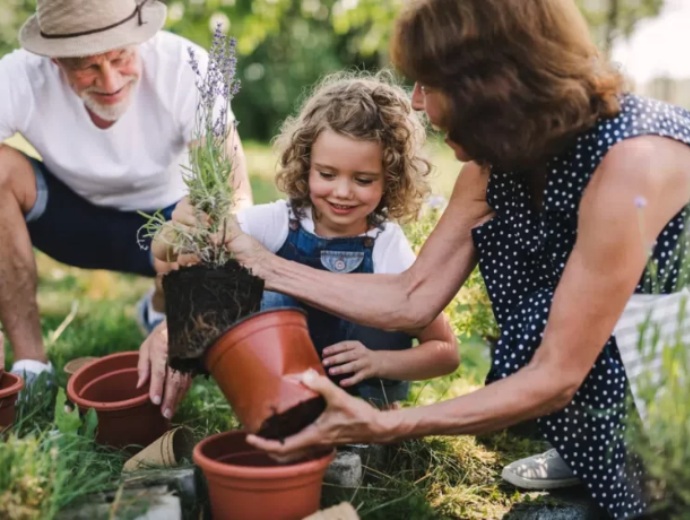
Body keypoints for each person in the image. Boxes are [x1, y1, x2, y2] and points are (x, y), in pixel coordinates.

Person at [208, 1, 690, 518]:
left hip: (667, 384)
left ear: (489, 87)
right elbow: (413, 296)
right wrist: (263, 265)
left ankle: (639, 465)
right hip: (603, 369)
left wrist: (387, 423)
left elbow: (555, 375)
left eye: (428, 85)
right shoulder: (496, 165)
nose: (416, 104)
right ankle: (590, 453)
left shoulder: (631, 167)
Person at [138, 73, 460, 419]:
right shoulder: (280, 221)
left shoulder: (386, 245)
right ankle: (276, 407)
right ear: (306, 167)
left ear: (391, 179)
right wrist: (178, 229)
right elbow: (174, 252)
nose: (342, 191)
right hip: (282, 385)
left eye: (363, 180)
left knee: (385, 303)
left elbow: (445, 351)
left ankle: (370, 414)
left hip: (359, 394)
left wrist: (381, 362)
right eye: (326, 174)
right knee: (263, 295)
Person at [0, 0, 252, 387]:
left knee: (210, 212)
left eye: (120, 58)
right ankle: (31, 368)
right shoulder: (20, 75)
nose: (111, 82)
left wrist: (180, 325)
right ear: (54, 60)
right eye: (87, 67)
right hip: (70, 221)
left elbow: (234, 198)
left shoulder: (185, 65)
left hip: (166, 227)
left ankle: (161, 307)